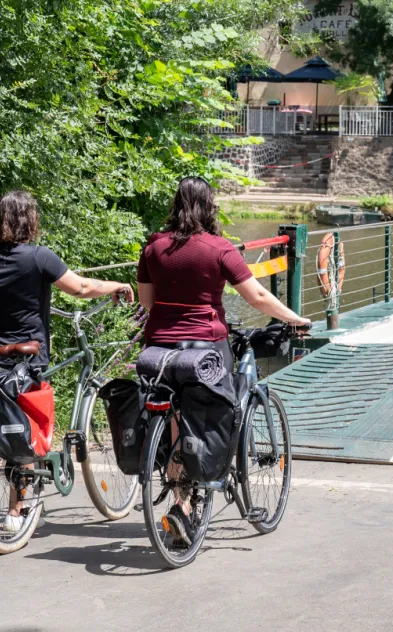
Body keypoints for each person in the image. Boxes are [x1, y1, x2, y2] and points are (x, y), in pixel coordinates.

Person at [136, 176, 310, 544]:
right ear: (209, 205)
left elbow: (147, 303)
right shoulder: (220, 249)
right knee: (216, 409)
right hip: (206, 349)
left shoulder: (152, 248)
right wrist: (295, 318)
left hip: (159, 351)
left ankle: (181, 501)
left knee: (176, 418)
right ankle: (199, 483)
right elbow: (258, 297)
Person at [0, 190, 134, 533]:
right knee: (24, 429)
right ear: (30, 221)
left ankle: (25, 499)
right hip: (25, 359)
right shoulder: (38, 257)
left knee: (8, 423)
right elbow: (81, 288)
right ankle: (17, 511)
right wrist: (117, 285)